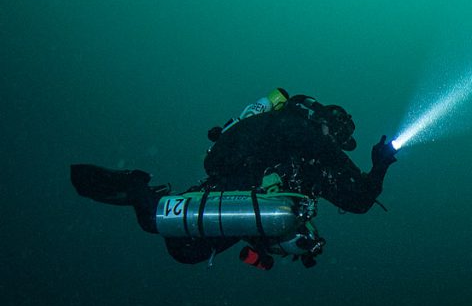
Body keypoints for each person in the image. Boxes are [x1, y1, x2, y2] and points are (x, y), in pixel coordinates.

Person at [71, 89, 398, 268]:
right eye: (342, 136)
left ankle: (137, 188)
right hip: (245, 187)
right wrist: (380, 164)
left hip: (233, 182)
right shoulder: (313, 144)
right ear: (332, 127)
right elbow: (359, 200)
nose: (341, 145)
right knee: (182, 245)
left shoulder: (279, 125)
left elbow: (221, 153)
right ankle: (135, 188)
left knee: (184, 247)